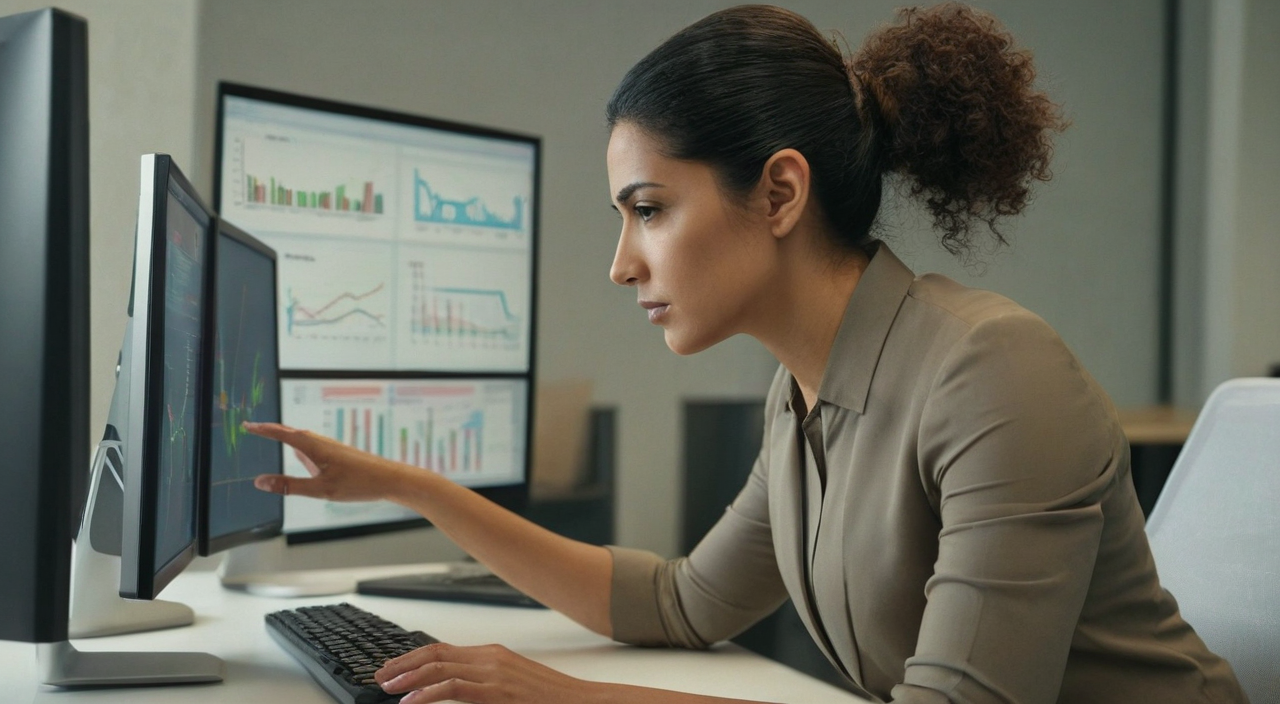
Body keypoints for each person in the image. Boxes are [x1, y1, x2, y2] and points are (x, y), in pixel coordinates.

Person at [246, 4, 1248, 703]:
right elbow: (677, 602)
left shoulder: (991, 372)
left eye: (647, 210)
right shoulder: (803, 396)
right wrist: (413, 486)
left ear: (777, 193)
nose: (619, 264)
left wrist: (567, 695)